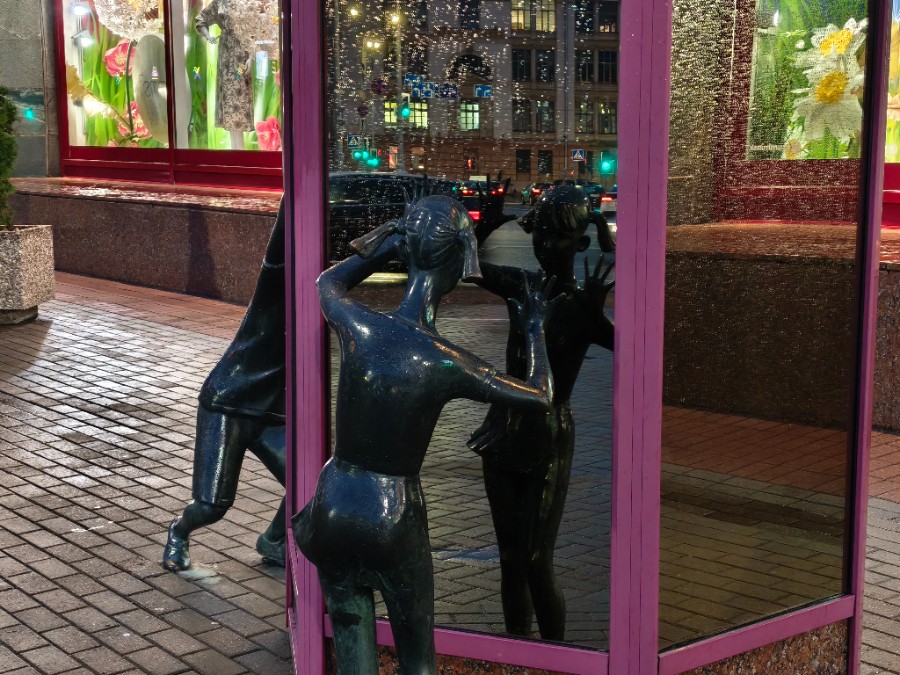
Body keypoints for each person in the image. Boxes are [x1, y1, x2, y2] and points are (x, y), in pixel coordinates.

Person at [293, 191, 557, 675]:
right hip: (390, 514)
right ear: (458, 264)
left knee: (351, 638)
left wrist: (389, 246)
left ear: (408, 250)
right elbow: (540, 395)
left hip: (334, 501)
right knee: (418, 661)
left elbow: (327, 282)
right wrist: (535, 328)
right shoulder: (445, 361)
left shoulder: (359, 325)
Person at [469, 185, 615, 641]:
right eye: (541, 234)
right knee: (510, 560)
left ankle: (555, 656)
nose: (546, 245)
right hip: (504, 429)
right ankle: (519, 651)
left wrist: (599, 318)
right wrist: (486, 225)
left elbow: (641, 353)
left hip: (548, 436)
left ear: (581, 243)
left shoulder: (581, 308)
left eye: (558, 237)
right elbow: (468, 268)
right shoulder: (523, 286)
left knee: (536, 559)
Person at [163, 200, 287, 571]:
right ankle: (179, 532)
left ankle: (275, 540)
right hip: (228, 402)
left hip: (272, 413)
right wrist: (295, 195)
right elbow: (278, 251)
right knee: (212, 505)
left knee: (312, 483)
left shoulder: (330, 297)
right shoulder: (276, 287)